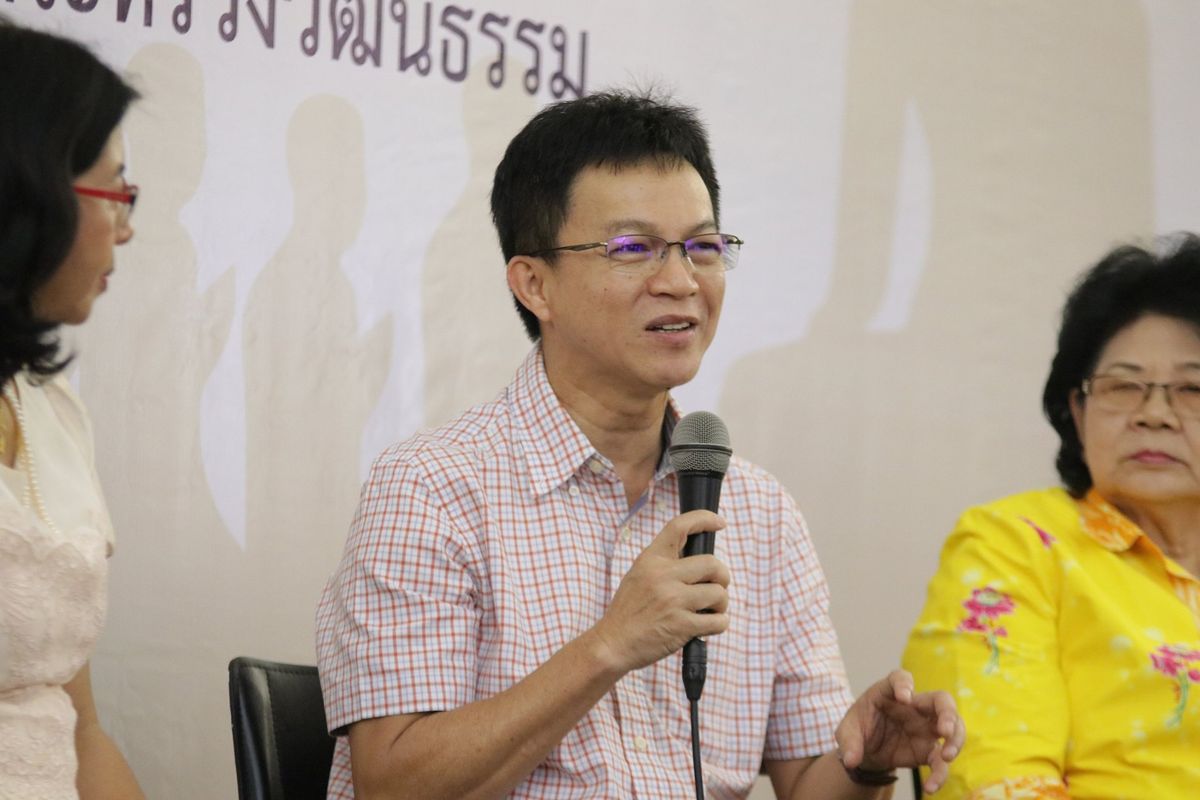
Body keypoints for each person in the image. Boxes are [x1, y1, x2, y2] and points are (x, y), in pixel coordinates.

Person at [317, 90, 963, 799]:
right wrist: (611, 645)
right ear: (535, 285)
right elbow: (392, 784)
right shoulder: (431, 488)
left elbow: (807, 782)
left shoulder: (760, 513)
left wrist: (864, 762)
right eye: (632, 249)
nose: (681, 282)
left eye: (703, 247)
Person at [903, 234, 1200, 798]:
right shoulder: (1015, 546)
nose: (1155, 414)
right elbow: (995, 780)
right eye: (1124, 386)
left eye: (1192, 388)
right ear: (1077, 409)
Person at [0, 18, 145, 800]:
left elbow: (80, 728)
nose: (127, 225)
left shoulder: (52, 412)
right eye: (115, 189)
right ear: (28, 188)